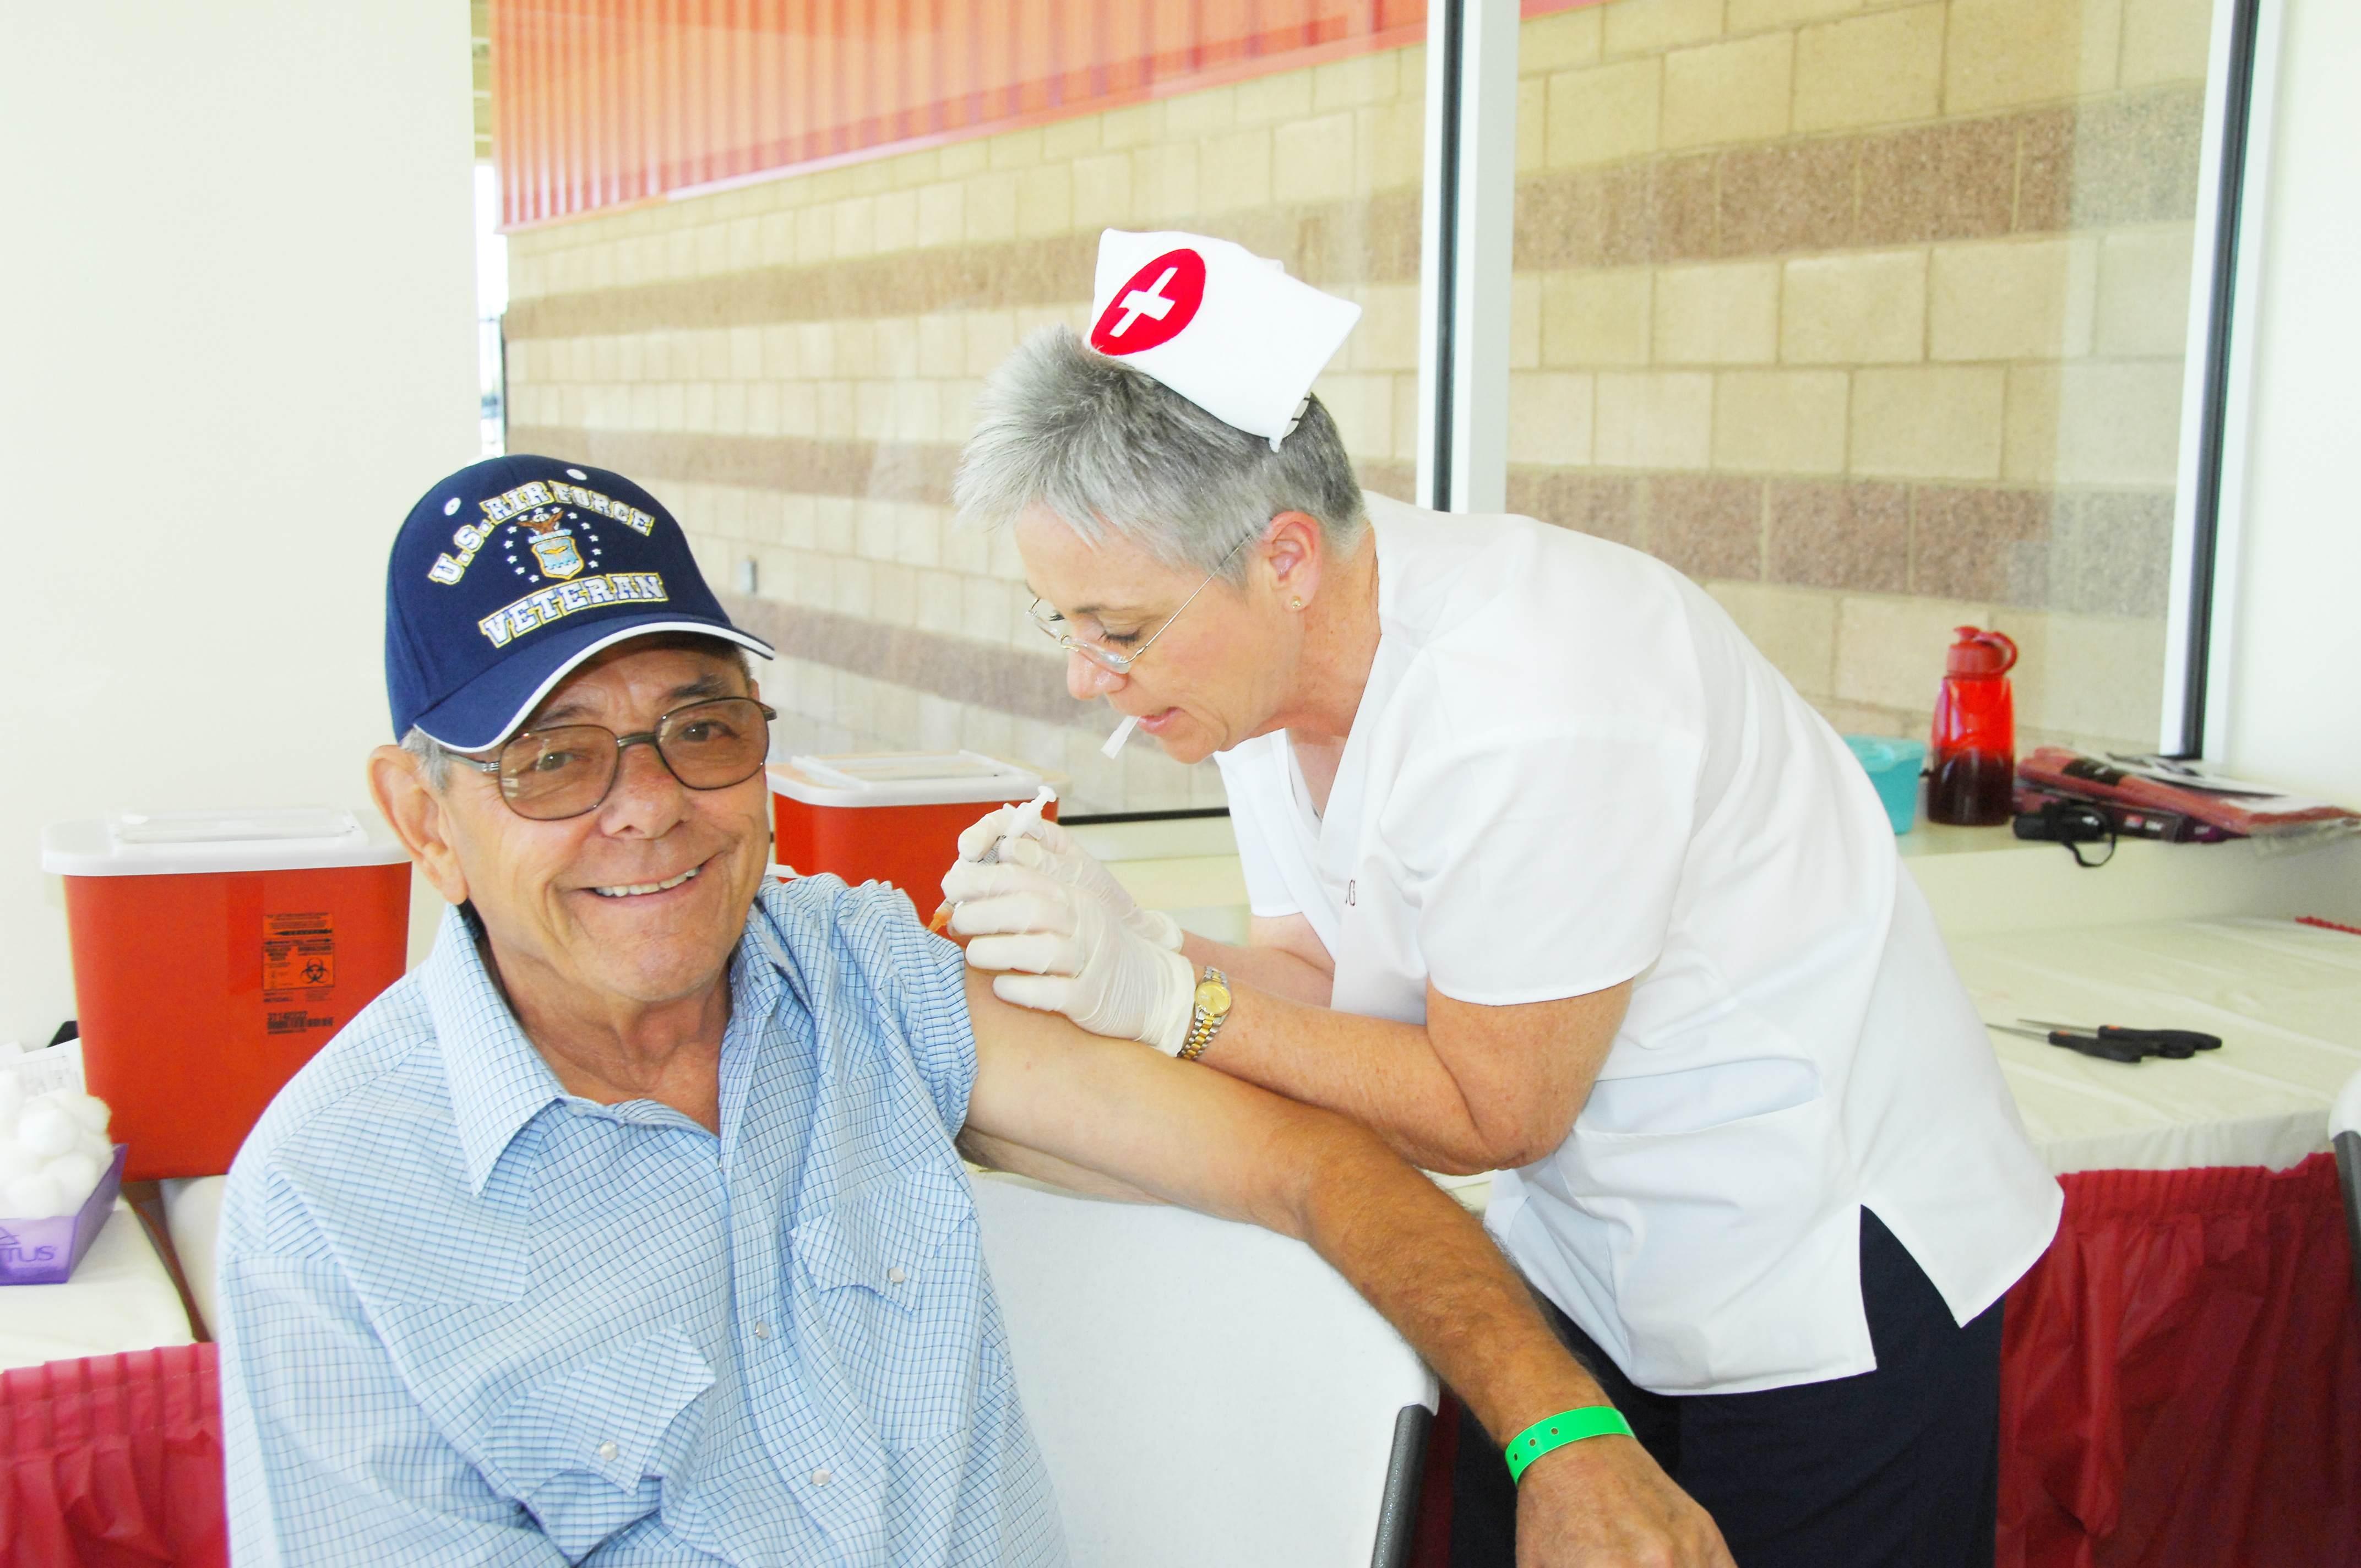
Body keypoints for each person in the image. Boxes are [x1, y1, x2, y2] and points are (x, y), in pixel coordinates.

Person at [215, 453, 1732, 1567]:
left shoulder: (861, 983)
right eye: (553, 760)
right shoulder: (338, 1213)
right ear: (420, 813)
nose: (652, 812)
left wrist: (1563, 1432)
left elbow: (1311, 1168)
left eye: (703, 728)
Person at [940, 231, 2065, 1568]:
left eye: (1116, 630)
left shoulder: (1536, 694)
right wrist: (1121, 948)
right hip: (1589, 1250)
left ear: (1284, 558)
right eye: (1055, 619)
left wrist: (1164, 993)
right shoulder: (1257, 678)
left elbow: (1492, 1111)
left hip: (1818, 1251)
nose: (1085, 677)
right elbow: (1319, 984)